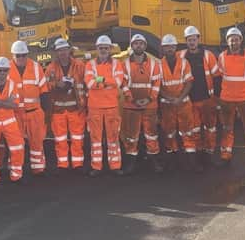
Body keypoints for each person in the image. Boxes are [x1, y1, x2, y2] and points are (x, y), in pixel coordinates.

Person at [217, 27, 245, 169]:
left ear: (241, 41)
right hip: (227, 99)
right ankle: (225, 156)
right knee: (227, 128)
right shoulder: (222, 57)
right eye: (231, 40)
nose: (234, 42)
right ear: (227, 41)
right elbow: (220, 77)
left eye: (236, 39)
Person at [178, 25, 220, 168]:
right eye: (189, 40)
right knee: (194, 129)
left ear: (198, 39)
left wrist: (216, 98)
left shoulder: (208, 55)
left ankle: (209, 155)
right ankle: (197, 156)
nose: (191, 42)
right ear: (186, 41)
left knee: (210, 128)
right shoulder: (181, 56)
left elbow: (216, 77)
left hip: (207, 99)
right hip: (189, 100)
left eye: (194, 39)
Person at [121, 33, 163, 175]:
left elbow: (157, 84)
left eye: (141, 43)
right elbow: (123, 84)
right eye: (136, 43)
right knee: (131, 135)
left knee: (151, 134)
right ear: (132, 46)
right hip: (131, 106)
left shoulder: (153, 64)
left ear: (145, 46)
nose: (138, 46)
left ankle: (154, 161)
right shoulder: (125, 64)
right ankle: (130, 163)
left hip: (149, 106)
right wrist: (132, 99)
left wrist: (150, 99)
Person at [84, 35, 125, 177]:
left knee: (113, 137)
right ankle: (96, 167)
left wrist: (100, 80)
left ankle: (115, 166)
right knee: (95, 139)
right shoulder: (90, 64)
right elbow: (89, 83)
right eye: (101, 48)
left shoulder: (116, 64)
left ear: (110, 49)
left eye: (106, 48)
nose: (103, 50)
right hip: (95, 107)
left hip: (111, 106)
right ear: (97, 49)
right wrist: (107, 82)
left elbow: (118, 81)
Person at [46, 38, 87, 173]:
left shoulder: (80, 66)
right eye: (59, 51)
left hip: (76, 108)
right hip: (58, 109)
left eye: (64, 50)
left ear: (69, 50)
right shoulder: (51, 68)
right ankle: (62, 165)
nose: (62, 53)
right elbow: (46, 86)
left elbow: (87, 84)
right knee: (60, 139)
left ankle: (78, 164)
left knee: (77, 138)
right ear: (56, 52)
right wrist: (57, 85)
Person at [159, 34, 199, 171]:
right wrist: (170, 99)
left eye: (171, 46)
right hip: (167, 105)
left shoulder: (184, 62)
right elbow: (157, 86)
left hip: (183, 104)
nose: (169, 49)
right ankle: (172, 159)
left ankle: (192, 161)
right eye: (166, 46)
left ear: (175, 47)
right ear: (163, 48)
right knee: (169, 132)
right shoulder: (159, 65)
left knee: (187, 131)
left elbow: (189, 82)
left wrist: (180, 98)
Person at [9, 40, 48, 176]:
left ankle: (38, 170)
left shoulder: (36, 67)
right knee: (16, 145)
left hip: (34, 113)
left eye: (23, 55)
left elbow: (44, 90)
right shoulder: (6, 69)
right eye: (18, 56)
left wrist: (44, 110)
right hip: (15, 114)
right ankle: (16, 171)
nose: (21, 58)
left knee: (37, 143)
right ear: (12, 55)